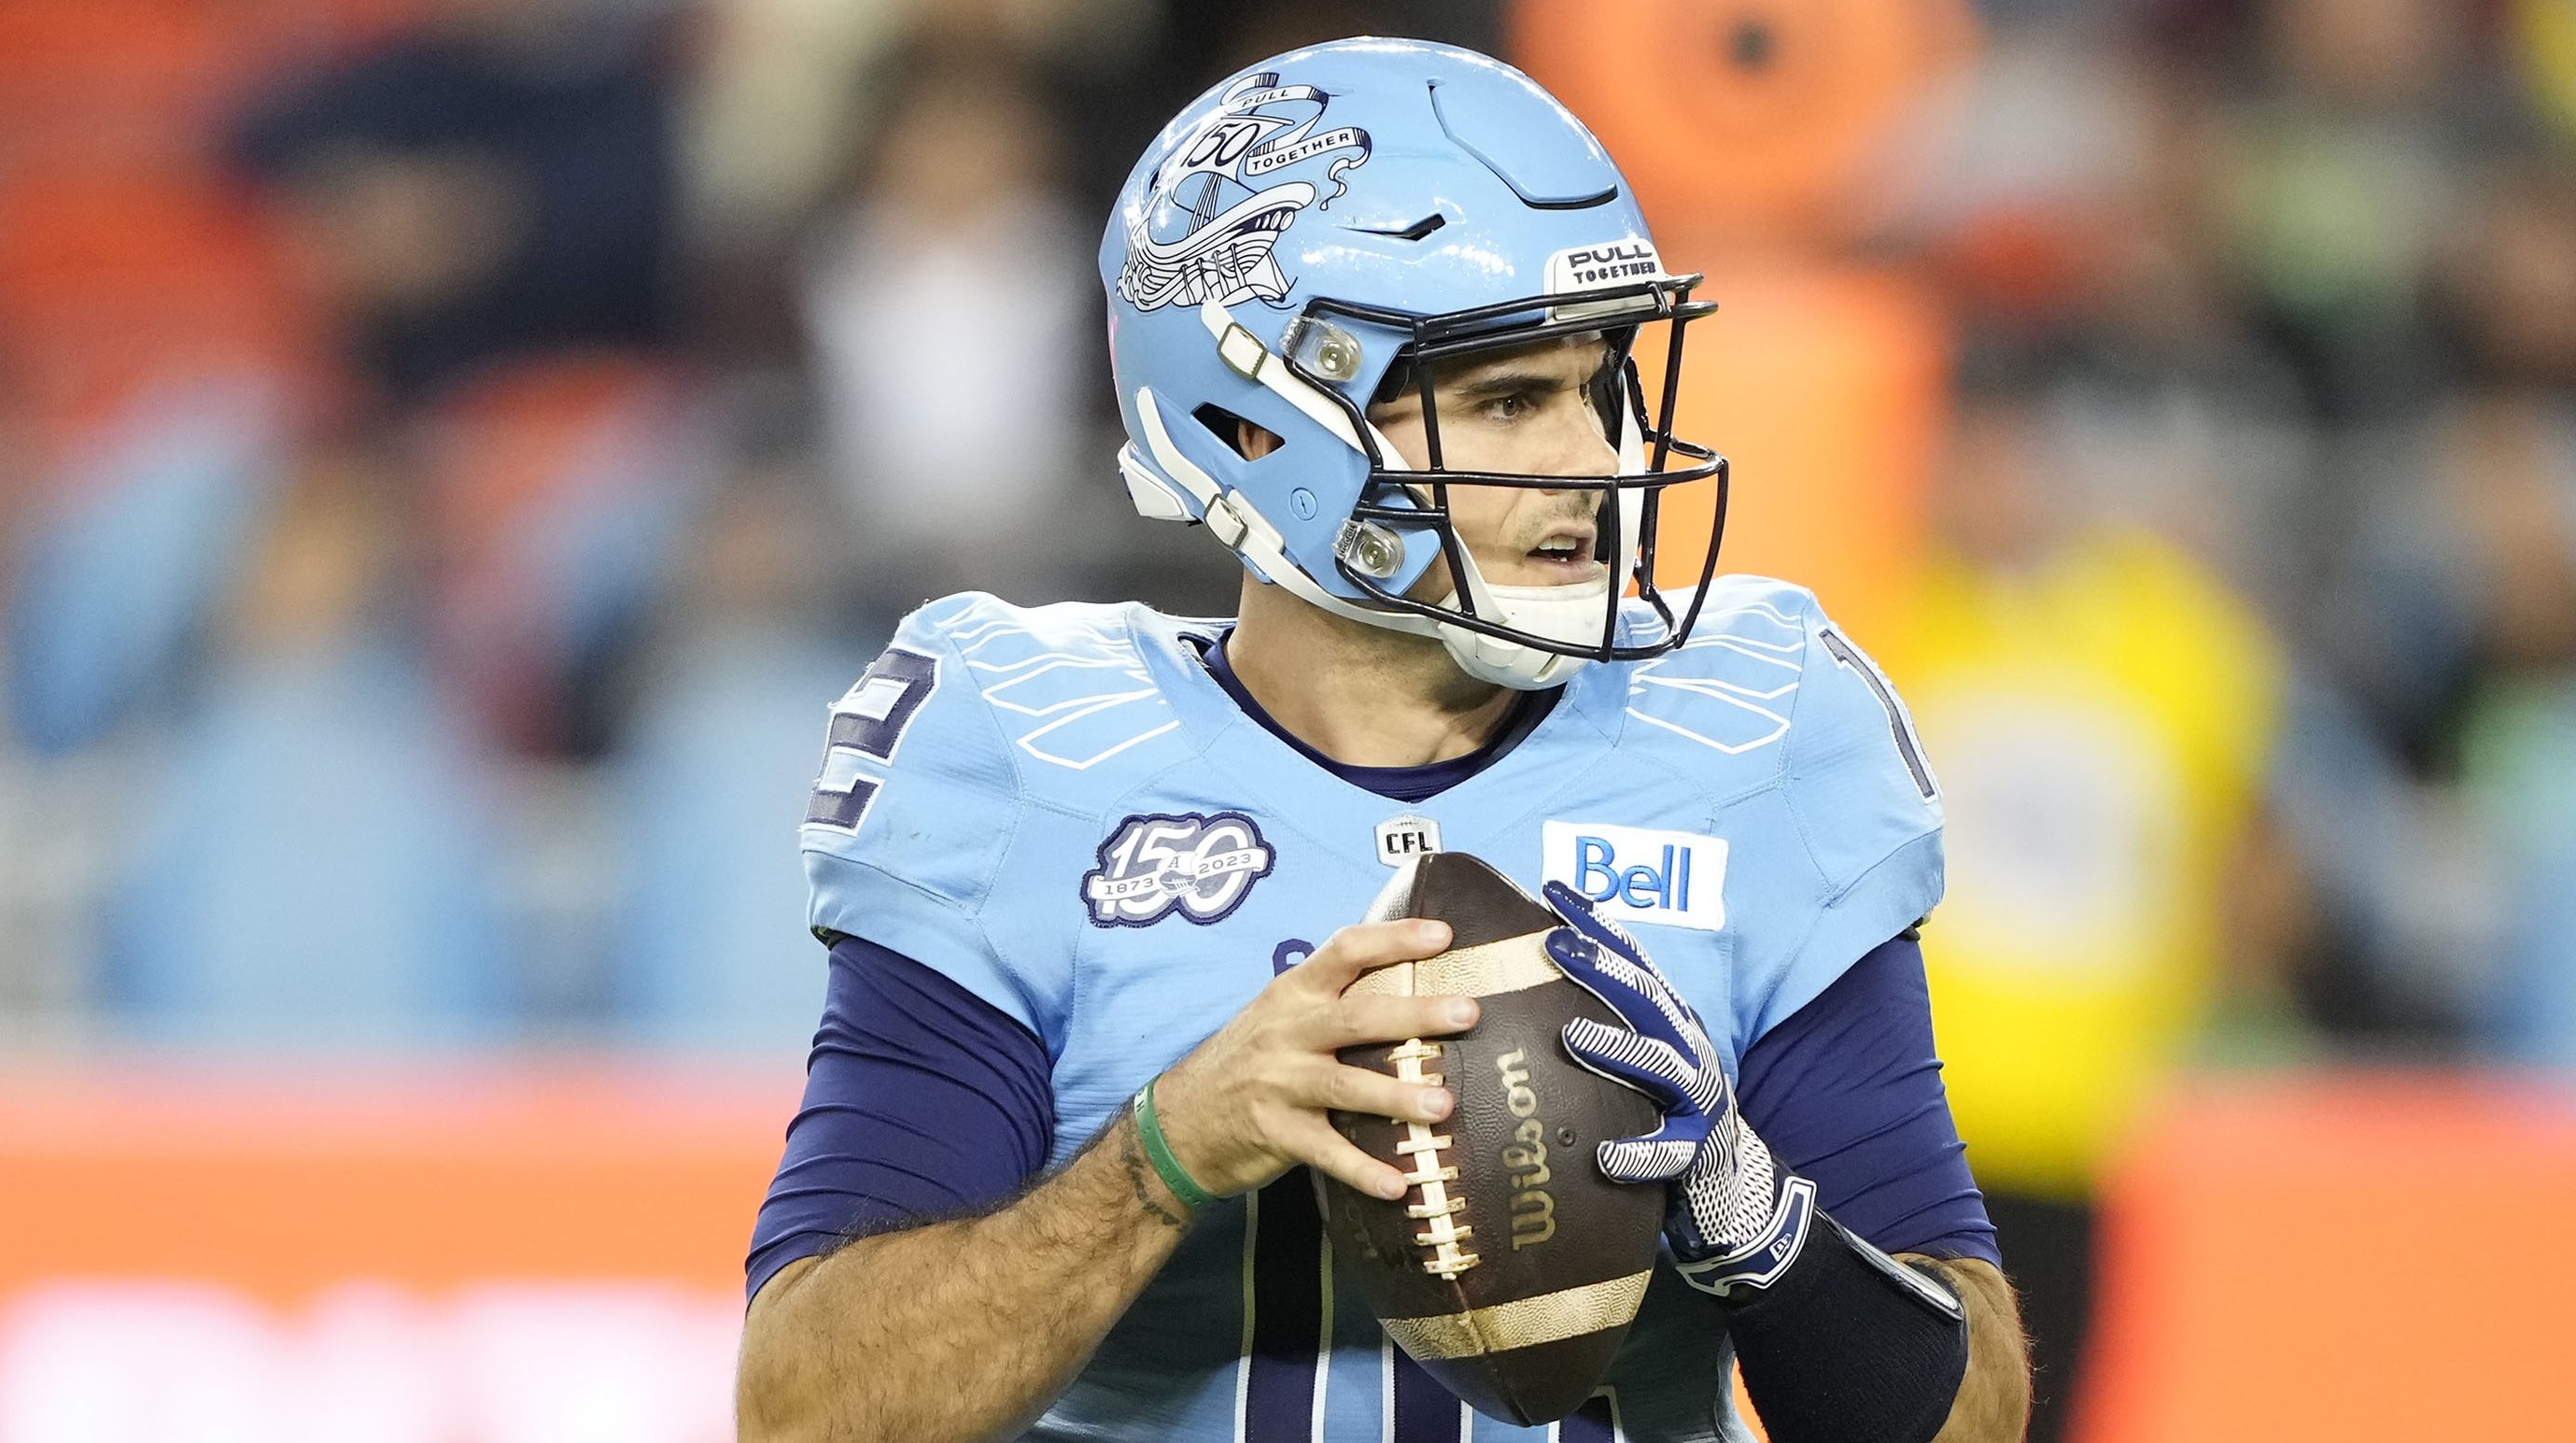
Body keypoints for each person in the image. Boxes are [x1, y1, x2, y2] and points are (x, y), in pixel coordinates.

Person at [737, 39, 2028, 1443]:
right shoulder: (1034, 749)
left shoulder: (1751, 731)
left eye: (1601, 387)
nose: (1597, 462)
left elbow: (1972, 1421)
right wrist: (1161, 1156)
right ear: (1257, 419)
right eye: (1506, 398)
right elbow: (807, 1411)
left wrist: (1764, 1235)